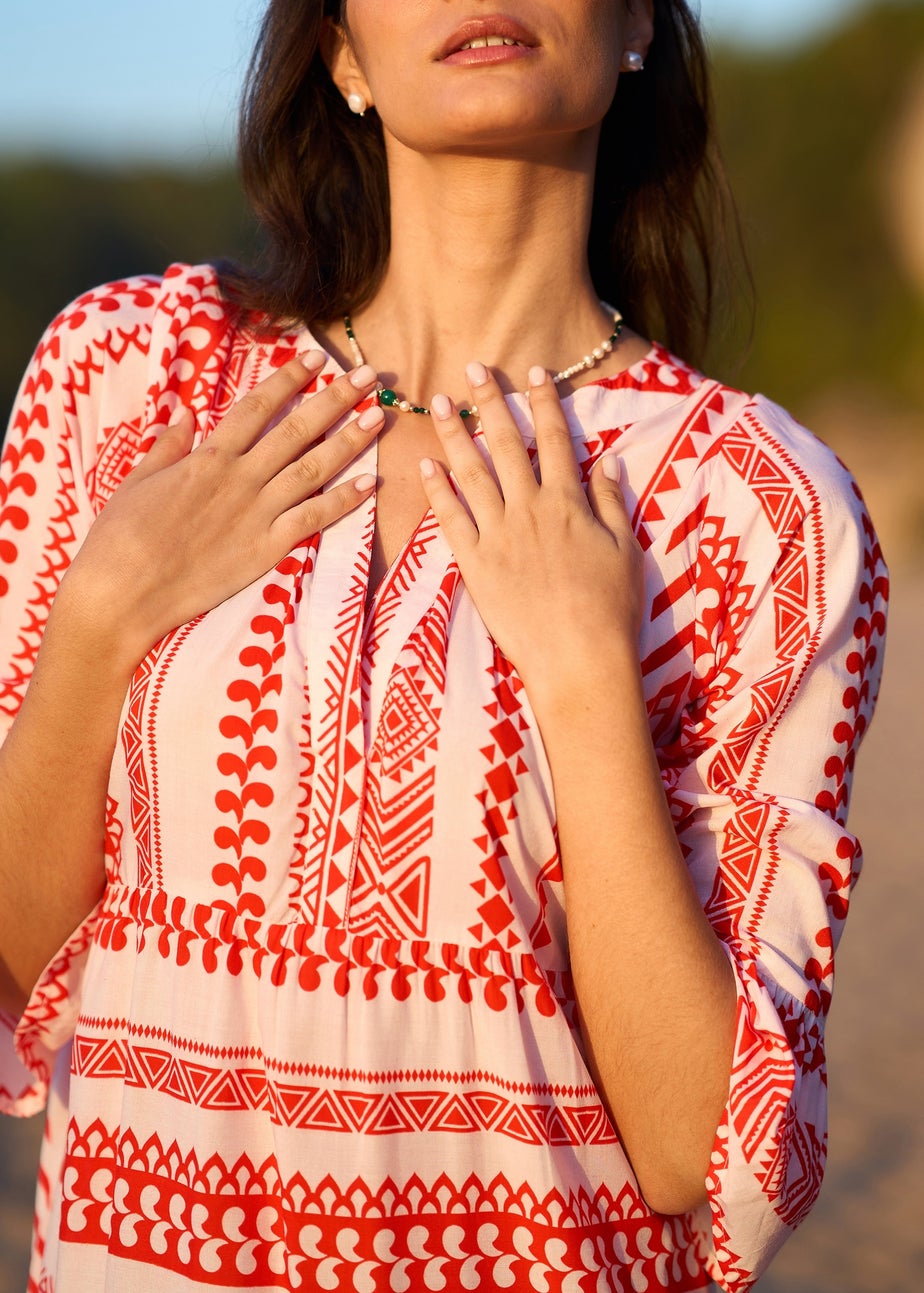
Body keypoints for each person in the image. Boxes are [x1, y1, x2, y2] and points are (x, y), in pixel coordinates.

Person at [0, 1, 888, 1290]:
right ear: (342, 52)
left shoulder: (759, 506)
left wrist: (588, 683)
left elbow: (700, 1152)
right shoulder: (125, 376)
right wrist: (102, 618)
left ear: (636, 21)